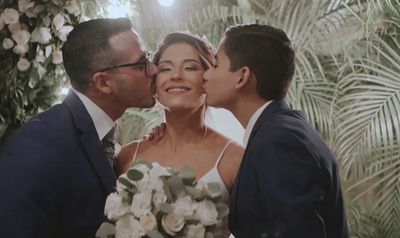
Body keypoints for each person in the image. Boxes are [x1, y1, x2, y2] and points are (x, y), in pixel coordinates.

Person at [0, 18, 158, 238]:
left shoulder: (108, 136)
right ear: (103, 82)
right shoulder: (39, 144)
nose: (154, 69)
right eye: (141, 64)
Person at [203, 24, 349, 238]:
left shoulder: (279, 141)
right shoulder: (280, 130)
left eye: (215, 64)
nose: (206, 75)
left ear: (242, 77)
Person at [116, 32, 244, 237]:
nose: (176, 75)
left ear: (208, 78)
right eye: (166, 68)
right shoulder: (127, 156)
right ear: (154, 85)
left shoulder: (235, 160)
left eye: (190, 67)